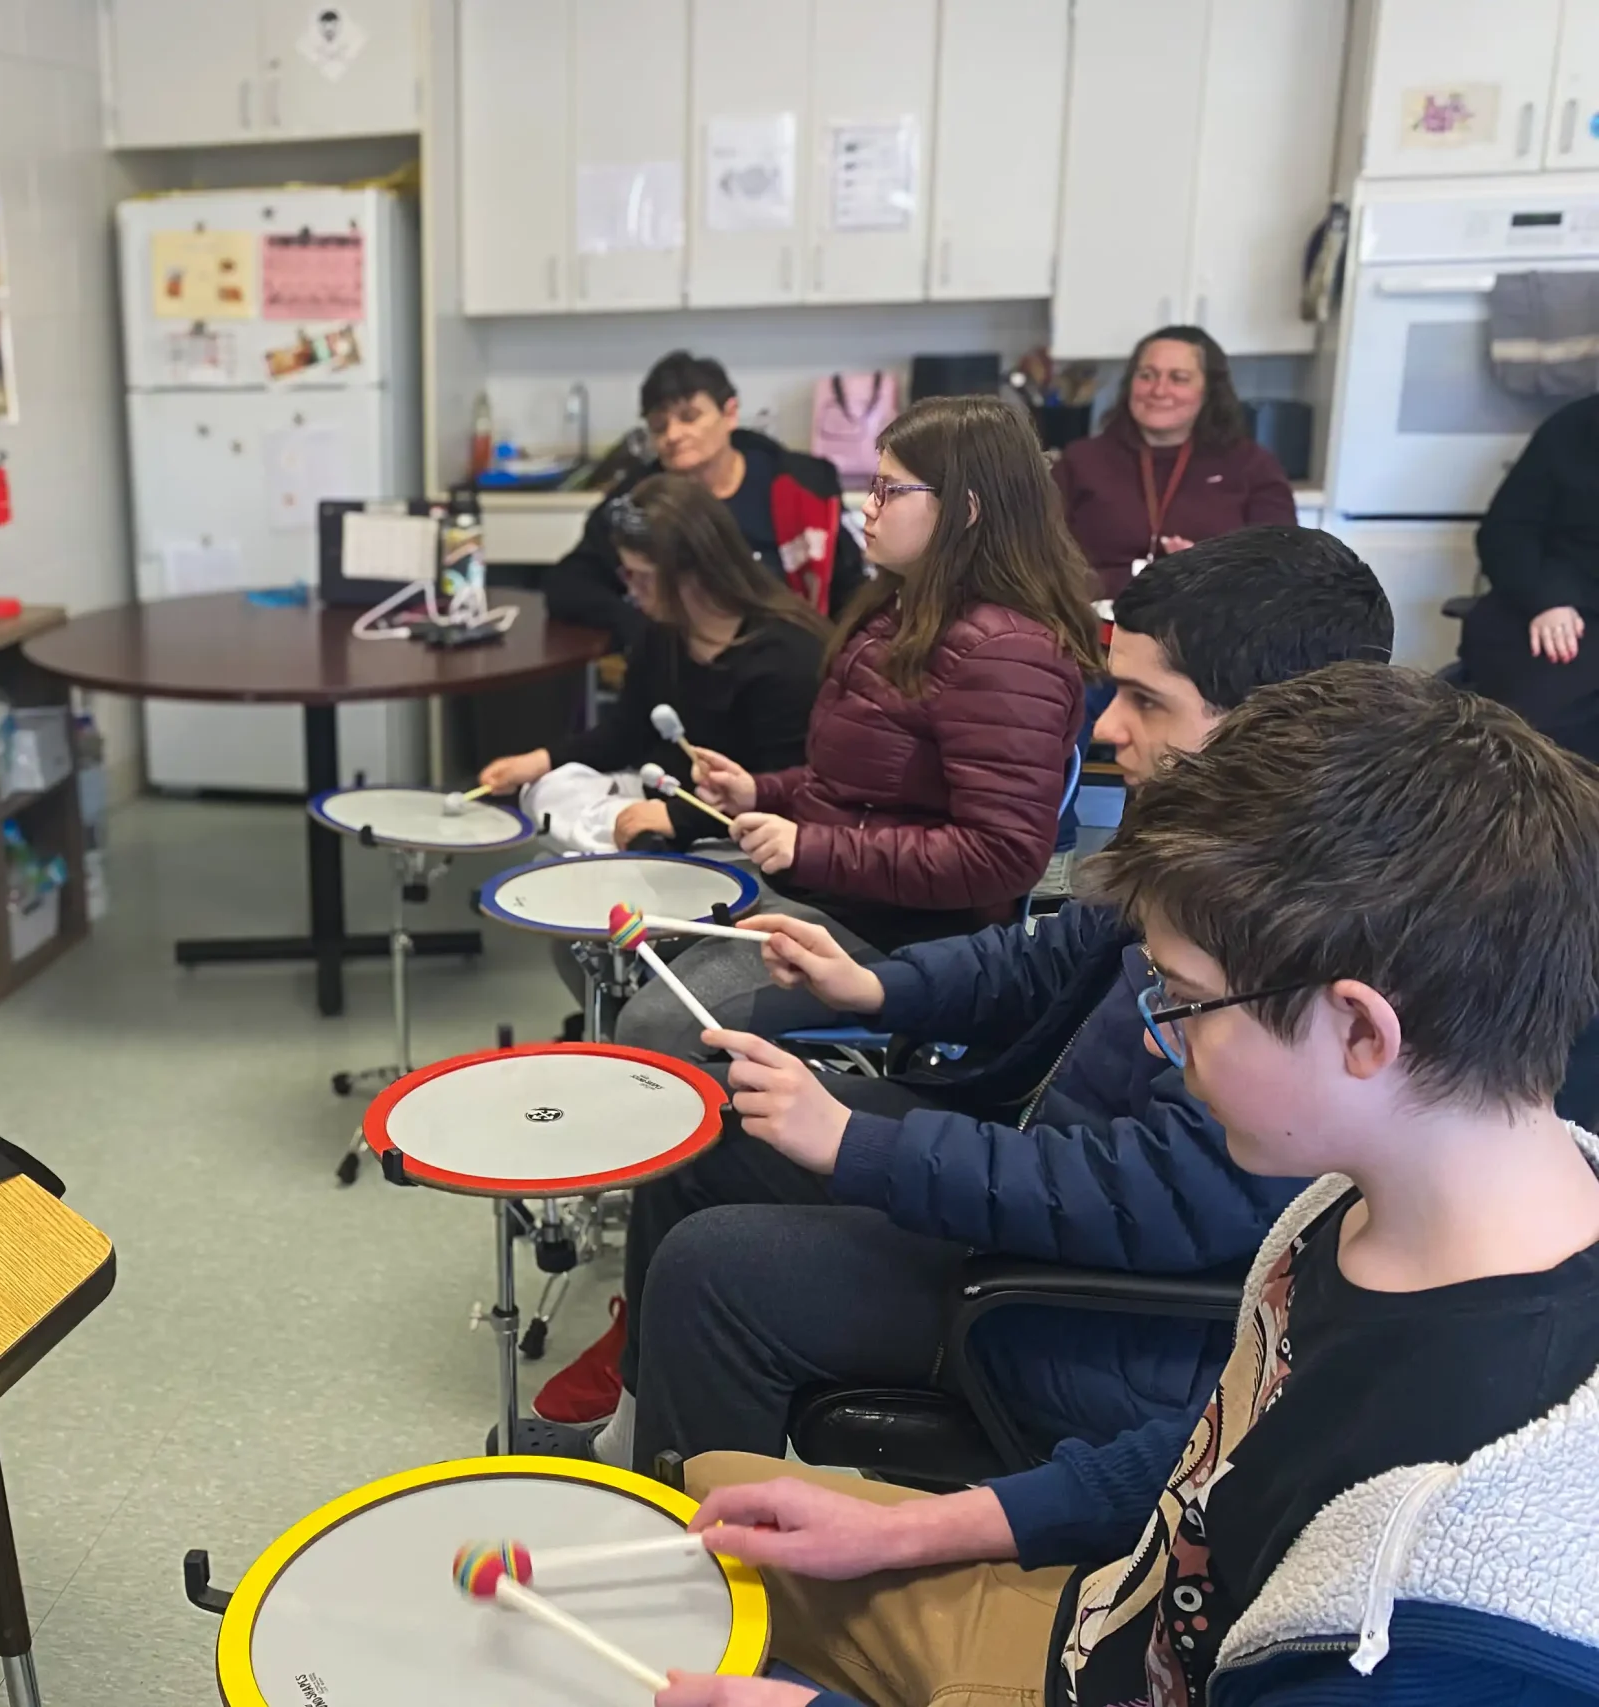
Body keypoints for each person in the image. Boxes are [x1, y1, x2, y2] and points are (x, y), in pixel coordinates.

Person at [653, 664, 1599, 1707]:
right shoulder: (1354, 1203)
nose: (1161, 1039)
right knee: (701, 1519)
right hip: (1105, 1615)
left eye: (1182, 1001)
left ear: (1360, 1029)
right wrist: (920, 1523)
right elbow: (1221, 1452)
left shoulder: (1434, 1617)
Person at [533, 531, 1392, 1478]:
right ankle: (636, 1451)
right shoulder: (1202, 838)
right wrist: (872, 986)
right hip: (1037, 1169)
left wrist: (863, 1144)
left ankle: (731, 1591)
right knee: (711, 1119)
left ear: (1271, 721)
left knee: (716, 1267)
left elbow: (1161, 1197)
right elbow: (1039, 959)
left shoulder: (1305, 942)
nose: (1108, 728)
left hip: (1094, 1303)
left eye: (1147, 701)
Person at [610, 394, 1099, 1062]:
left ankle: (735, 1162)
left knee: (653, 1027)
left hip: (903, 930)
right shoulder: (896, 606)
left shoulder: (1008, 653)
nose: (866, 507)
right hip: (839, 889)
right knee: (600, 934)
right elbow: (853, 785)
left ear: (968, 509)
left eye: (889, 491)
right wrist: (762, 791)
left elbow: (1002, 858)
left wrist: (810, 846)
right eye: (872, 487)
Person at [477, 475, 827, 850]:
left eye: (643, 577)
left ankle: (636, 848)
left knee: (609, 833)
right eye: (626, 574)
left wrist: (678, 819)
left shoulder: (787, 656)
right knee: (547, 788)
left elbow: (787, 792)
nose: (631, 590)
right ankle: (631, 843)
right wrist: (539, 761)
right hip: (657, 795)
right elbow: (626, 733)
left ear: (695, 572)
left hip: (733, 826)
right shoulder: (663, 631)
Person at [546, 351, 862, 653]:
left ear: (730, 414)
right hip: (687, 664)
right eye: (659, 426)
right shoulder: (637, 501)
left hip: (796, 659)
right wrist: (644, 631)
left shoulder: (801, 485)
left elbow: (852, 586)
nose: (673, 435)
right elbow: (569, 585)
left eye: (689, 417)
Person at [1052, 324, 1297, 597]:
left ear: (1209, 391)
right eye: (1147, 375)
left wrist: (1210, 571)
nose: (1158, 390)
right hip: (1098, 626)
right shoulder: (1080, 461)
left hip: (1214, 625)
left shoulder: (1254, 466)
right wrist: (1132, 577)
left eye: (1178, 378)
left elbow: (1282, 570)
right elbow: (1044, 564)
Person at [1456, 392, 1599, 763]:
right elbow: (1504, 532)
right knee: (1539, 728)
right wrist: (1547, 600)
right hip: (1560, 605)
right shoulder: (1573, 428)